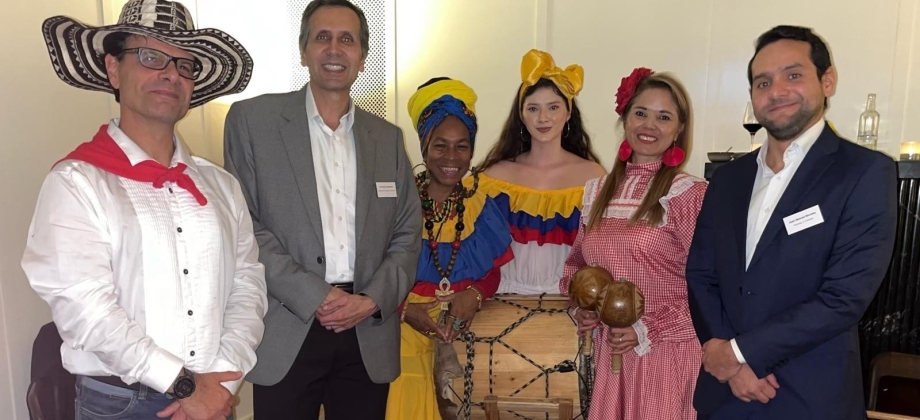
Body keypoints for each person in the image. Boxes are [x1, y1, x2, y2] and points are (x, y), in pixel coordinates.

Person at [22, 1, 267, 419]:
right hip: (119, 405)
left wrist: (220, 384)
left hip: (213, 400)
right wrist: (185, 384)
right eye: (151, 57)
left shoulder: (222, 187)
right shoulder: (76, 181)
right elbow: (85, 309)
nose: (171, 74)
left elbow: (247, 287)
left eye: (184, 65)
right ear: (114, 69)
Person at [222, 0, 421, 418]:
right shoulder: (252, 122)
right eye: (322, 37)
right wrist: (316, 296)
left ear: (363, 57)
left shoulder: (387, 138)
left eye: (347, 40)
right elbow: (244, 227)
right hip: (288, 325)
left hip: (367, 330)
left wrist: (370, 299)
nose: (335, 49)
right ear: (303, 51)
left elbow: (407, 232)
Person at [687, 25, 898, 420]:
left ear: (827, 80)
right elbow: (701, 273)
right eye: (762, 82)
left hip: (811, 397)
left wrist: (738, 354)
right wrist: (727, 362)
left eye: (793, 75)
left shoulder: (865, 173)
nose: (777, 90)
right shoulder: (728, 179)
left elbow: (843, 298)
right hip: (726, 398)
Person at [561, 68, 707, 420]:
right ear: (625, 118)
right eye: (641, 112)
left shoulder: (690, 194)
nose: (649, 125)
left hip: (667, 354)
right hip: (612, 355)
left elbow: (707, 289)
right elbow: (576, 265)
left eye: (664, 117)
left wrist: (646, 328)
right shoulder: (596, 192)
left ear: (679, 129)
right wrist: (582, 308)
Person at [386, 77, 513, 420]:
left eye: (462, 146)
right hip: (401, 343)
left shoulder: (481, 207)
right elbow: (370, 271)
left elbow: (493, 271)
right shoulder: (395, 203)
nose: (451, 157)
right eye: (440, 145)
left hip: (464, 341)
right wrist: (403, 309)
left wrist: (473, 294)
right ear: (424, 146)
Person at [477, 49, 606, 295]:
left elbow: (604, 252)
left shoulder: (593, 177)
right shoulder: (493, 178)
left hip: (570, 305)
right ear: (521, 115)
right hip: (502, 301)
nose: (543, 118)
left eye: (553, 107)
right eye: (533, 108)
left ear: (568, 113)